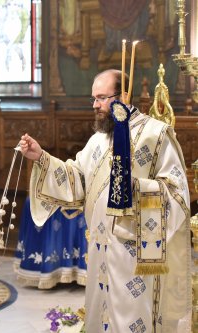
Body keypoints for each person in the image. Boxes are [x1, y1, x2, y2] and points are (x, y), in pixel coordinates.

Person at [20, 69, 190, 332]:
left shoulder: (155, 135)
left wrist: (135, 190)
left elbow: (177, 193)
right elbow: (77, 180)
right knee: (101, 316)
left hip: (136, 250)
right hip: (100, 249)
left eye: (101, 98)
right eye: (93, 99)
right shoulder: (99, 139)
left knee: (132, 318)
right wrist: (40, 156)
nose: (95, 105)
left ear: (123, 95)